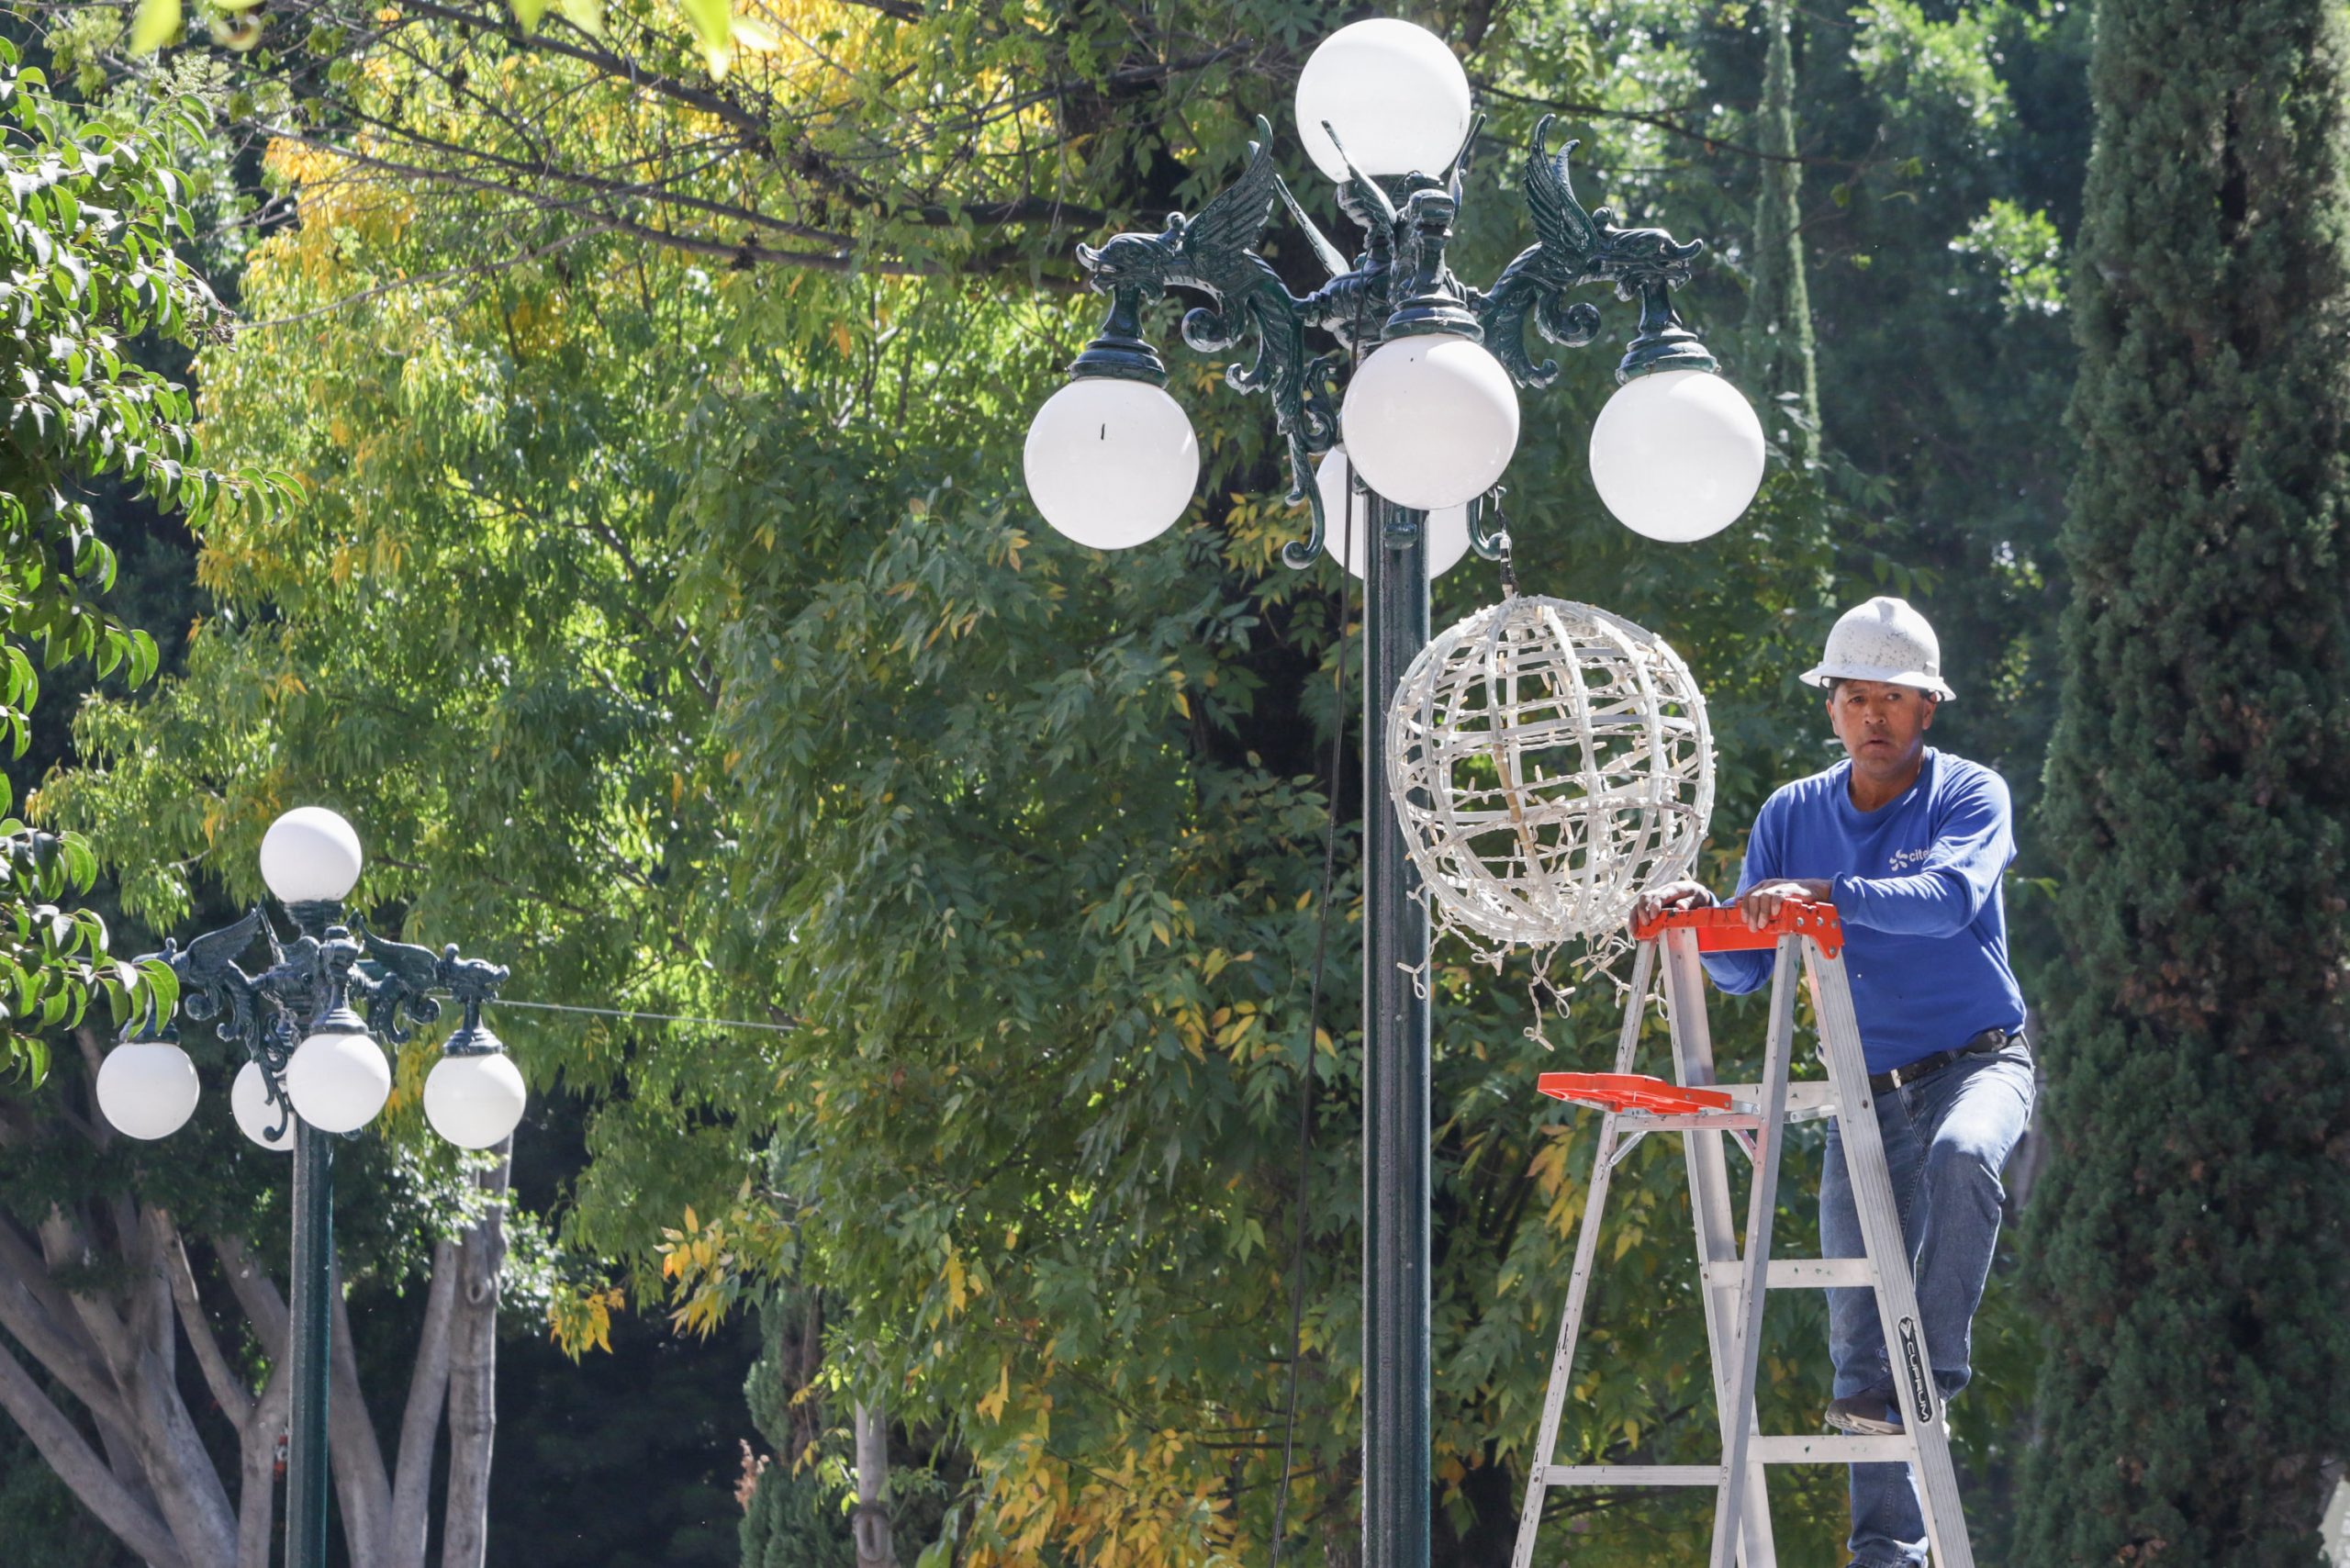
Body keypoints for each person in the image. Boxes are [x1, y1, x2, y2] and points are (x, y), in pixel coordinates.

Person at [1635, 596, 2034, 1568]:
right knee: (1857, 1349)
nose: (1873, 718)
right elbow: (1744, 967)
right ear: (1831, 707)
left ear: (1926, 708)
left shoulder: (1966, 793)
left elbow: (1944, 902)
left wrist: (1826, 895)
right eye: (1855, 698)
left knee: (1963, 1157)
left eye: (1893, 699)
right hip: (1861, 1094)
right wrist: (1702, 918)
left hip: (1978, 1060)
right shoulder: (1791, 813)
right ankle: (1886, 1551)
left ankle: (1932, 1367)